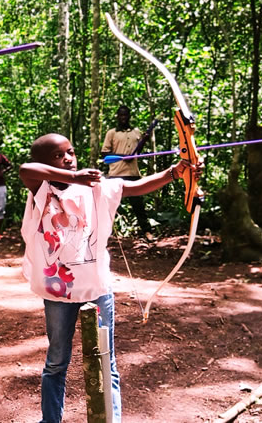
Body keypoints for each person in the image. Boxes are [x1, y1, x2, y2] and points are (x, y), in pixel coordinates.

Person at [18, 133, 202, 423]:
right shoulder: (42, 189)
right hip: (59, 292)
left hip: (96, 288)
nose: (68, 157)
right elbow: (26, 170)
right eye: (58, 155)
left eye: (71, 151)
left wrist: (174, 173)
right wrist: (75, 176)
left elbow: (135, 186)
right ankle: (50, 420)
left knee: (107, 362)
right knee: (56, 362)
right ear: (46, 162)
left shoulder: (96, 188)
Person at [100, 105, 152, 235]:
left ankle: (147, 232)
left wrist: (144, 141)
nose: (123, 117)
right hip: (116, 174)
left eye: (125, 115)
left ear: (129, 116)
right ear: (117, 117)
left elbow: (138, 153)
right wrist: (124, 157)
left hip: (133, 173)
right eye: (121, 115)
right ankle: (103, 233)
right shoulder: (112, 133)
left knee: (138, 205)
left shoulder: (136, 132)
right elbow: (104, 154)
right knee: (109, 205)